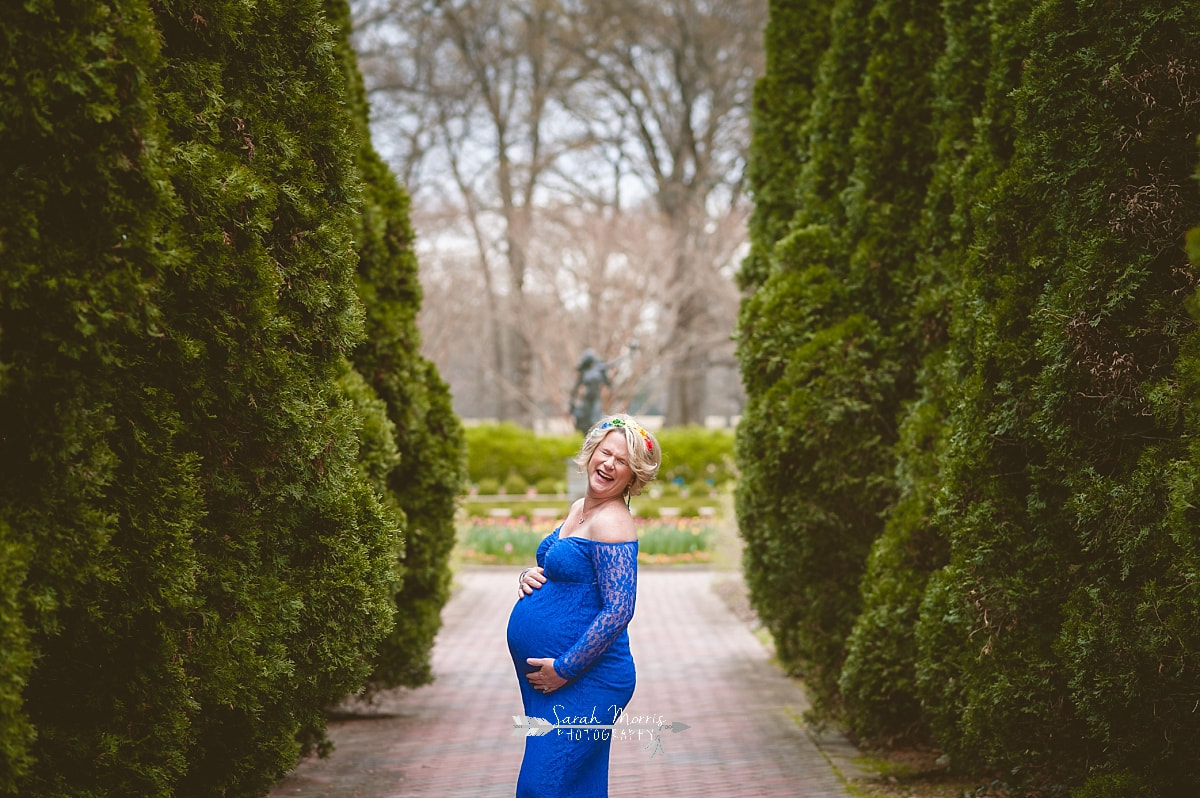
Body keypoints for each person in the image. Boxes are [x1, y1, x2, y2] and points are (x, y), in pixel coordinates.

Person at [506, 413, 661, 797]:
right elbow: (558, 566)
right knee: (578, 787)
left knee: (540, 788)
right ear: (591, 453)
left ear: (632, 476)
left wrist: (564, 668)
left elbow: (620, 609)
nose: (609, 464)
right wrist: (529, 574)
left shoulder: (614, 522)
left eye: (622, 461)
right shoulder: (580, 508)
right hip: (557, 681)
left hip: (589, 679)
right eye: (605, 453)